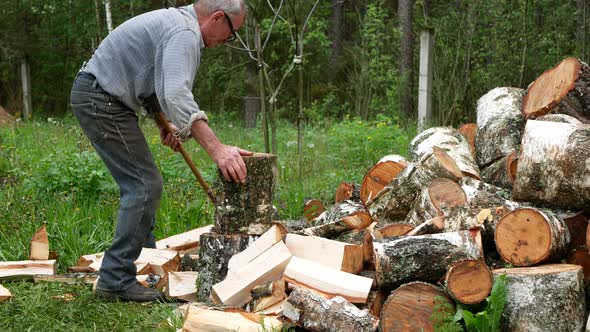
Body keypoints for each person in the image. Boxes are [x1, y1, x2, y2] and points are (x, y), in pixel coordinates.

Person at [70, 0, 251, 302]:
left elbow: (154, 82)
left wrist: (164, 124)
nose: (227, 41)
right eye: (231, 33)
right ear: (218, 17)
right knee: (143, 184)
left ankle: (145, 260)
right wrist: (218, 150)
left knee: (143, 182)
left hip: (102, 95)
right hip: (102, 98)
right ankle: (115, 280)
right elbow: (176, 93)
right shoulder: (185, 32)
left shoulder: (175, 23)